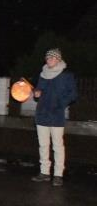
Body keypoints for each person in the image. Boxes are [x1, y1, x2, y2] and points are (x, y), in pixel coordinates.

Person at [31, 48, 78, 186]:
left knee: (58, 146)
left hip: (56, 115)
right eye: (47, 58)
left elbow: (73, 94)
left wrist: (60, 103)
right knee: (43, 145)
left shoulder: (67, 75)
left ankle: (58, 174)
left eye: (52, 58)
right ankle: (44, 172)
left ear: (58, 59)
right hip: (42, 114)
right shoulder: (42, 75)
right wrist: (37, 93)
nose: (49, 60)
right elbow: (39, 91)